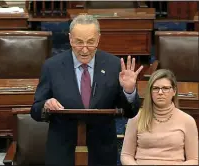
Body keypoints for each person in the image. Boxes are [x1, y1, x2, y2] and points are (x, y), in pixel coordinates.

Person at [31, 14, 143, 166]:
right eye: (78, 42)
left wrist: (129, 92)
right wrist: (46, 104)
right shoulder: (52, 66)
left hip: (101, 152)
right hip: (63, 152)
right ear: (70, 39)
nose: (84, 49)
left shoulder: (114, 65)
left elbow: (130, 112)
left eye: (90, 42)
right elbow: (35, 110)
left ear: (98, 39)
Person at [121, 69, 198, 165]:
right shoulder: (136, 118)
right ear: (150, 91)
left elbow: (194, 160)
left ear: (174, 91)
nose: (160, 92)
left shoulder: (187, 121)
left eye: (165, 88)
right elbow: (126, 155)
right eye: (156, 88)